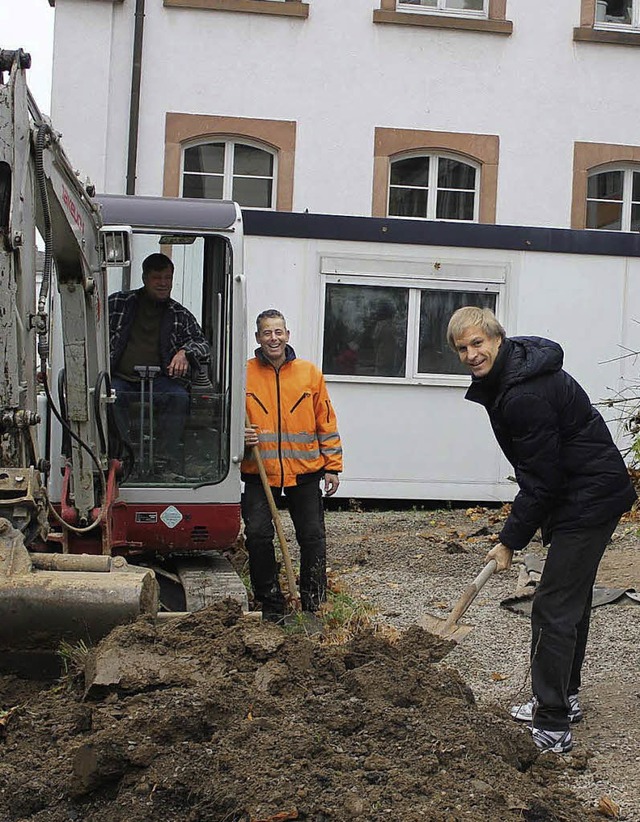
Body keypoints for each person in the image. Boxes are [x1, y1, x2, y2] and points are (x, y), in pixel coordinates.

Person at [446, 306, 636, 754]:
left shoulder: (522, 394)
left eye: (478, 343)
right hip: (585, 491)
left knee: (552, 606)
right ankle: (564, 699)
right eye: (462, 348)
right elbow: (544, 474)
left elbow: (542, 480)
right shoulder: (515, 371)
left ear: (497, 338)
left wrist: (510, 540)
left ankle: (551, 724)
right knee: (570, 599)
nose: (472, 354)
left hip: (586, 499)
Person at [242, 308, 343, 621]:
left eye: (279, 332)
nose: (274, 338)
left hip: (305, 470)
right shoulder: (242, 373)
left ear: (287, 335)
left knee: (312, 536)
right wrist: (237, 437)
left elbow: (326, 421)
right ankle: (270, 601)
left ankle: (313, 602)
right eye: (267, 333)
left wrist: (332, 466)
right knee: (258, 535)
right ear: (258, 338)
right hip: (259, 472)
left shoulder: (309, 373)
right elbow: (223, 421)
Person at [108, 252, 210, 473]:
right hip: (120, 378)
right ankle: (123, 458)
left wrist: (185, 351)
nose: (164, 284)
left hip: (160, 382)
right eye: (157, 278)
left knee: (179, 398)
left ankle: (165, 460)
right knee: (109, 397)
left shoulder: (179, 313)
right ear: (145, 278)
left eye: (168, 278)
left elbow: (202, 344)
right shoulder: (118, 304)